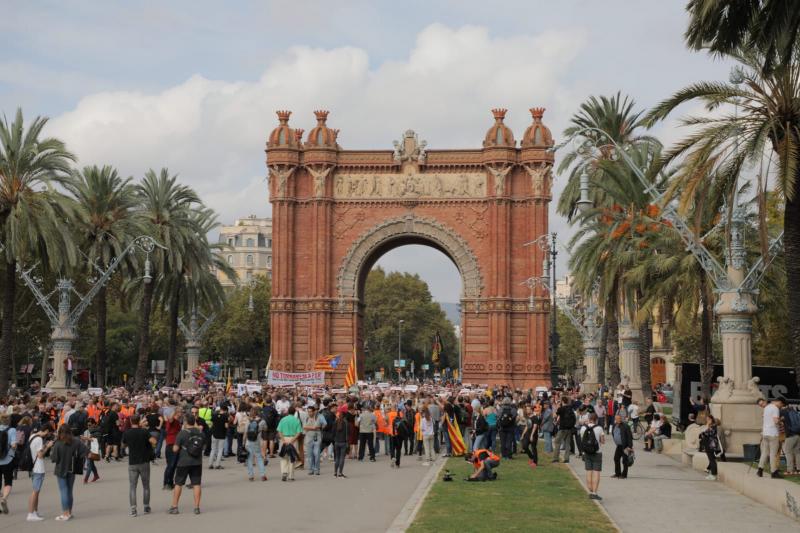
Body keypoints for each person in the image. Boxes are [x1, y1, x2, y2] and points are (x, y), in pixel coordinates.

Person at [170, 413, 204, 515]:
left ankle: (174, 506)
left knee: (178, 483)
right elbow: (204, 446)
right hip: (197, 462)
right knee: (196, 484)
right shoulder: (200, 433)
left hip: (183, 462)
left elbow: (175, 449)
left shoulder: (182, 433)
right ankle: (197, 507)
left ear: (185, 422)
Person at [122, 414, 156, 516]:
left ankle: (133, 509)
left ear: (131, 422)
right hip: (144, 461)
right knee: (146, 486)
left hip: (132, 462)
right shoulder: (144, 432)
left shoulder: (127, 433)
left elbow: (123, 445)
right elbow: (154, 441)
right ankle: (146, 507)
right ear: (139, 421)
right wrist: (150, 446)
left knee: (132, 486)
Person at [51, 423, 86, 521]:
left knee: (63, 491)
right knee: (69, 491)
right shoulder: (76, 441)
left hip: (60, 469)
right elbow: (85, 452)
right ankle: (69, 512)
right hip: (72, 468)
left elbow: (54, 459)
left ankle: (65, 513)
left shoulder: (58, 443)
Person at [26, 423, 54, 521]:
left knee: (36, 491)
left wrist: (45, 445)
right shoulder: (39, 439)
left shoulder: (33, 436)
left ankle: (34, 511)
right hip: (38, 467)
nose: (48, 435)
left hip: (33, 467)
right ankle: (30, 513)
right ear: (46, 430)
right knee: (35, 491)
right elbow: (41, 455)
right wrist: (48, 446)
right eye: (48, 433)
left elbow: (37, 451)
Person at [579, 413, 605, 500]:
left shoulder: (583, 428)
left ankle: (590, 489)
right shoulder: (599, 428)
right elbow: (602, 441)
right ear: (596, 419)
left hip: (587, 452)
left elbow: (582, 439)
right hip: (597, 452)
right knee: (596, 472)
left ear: (589, 418)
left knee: (588, 471)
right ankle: (594, 492)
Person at [757, 397, 784, 478]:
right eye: (781, 404)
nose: (781, 406)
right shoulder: (775, 408)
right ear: (779, 402)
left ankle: (760, 470)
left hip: (765, 434)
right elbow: (775, 421)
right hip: (773, 434)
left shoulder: (766, 408)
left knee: (764, 452)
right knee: (773, 454)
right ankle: (774, 472)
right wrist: (781, 422)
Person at [277, 405, 302, 482]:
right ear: (294, 412)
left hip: (284, 438)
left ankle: (284, 472)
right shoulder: (296, 420)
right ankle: (291, 476)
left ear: (288, 412)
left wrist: (283, 440)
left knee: (284, 457)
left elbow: (279, 431)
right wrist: (293, 440)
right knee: (292, 457)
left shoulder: (283, 419)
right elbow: (299, 432)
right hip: (293, 439)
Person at [0, 414, 17, 514]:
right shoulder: (12, 430)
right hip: (8, 459)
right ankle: (4, 498)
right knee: (8, 481)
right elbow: (14, 445)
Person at [244, 408, 268, 481]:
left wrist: (243, 442)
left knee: (249, 459)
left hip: (249, 441)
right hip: (257, 441)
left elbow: (245, 432)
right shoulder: (262, 421)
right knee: (259, 457)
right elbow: (266, 429)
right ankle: (262, 475)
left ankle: (251, 476)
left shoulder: (248, 421)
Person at [302, 404, 326, 476]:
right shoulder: (306, 418)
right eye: (308, 411)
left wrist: (319, 428)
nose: (309, 413)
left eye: (311, 411)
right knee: (309, 455)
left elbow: (324, 425)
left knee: (317, 454)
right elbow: (304, 427)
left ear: (314, 411)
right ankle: (311, 469)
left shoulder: (319, 417)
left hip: (317, 438)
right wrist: (314, 428)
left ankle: (317, 469)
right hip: (308, 438)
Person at [162, 407, 182, 490]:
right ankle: (167, 483)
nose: (182, 414)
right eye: (180, 412)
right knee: (171, 465)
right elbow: (170, 419)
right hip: (172, 445)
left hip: (174, 445)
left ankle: (169, 482)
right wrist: (174, 411)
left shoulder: (177, 422)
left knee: (173, 465)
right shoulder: (172, 421)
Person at [552, 398, 576, 463]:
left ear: (562, 401)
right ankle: (566, 458)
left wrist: (557, 408)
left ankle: (555, 458)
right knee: (567, 443)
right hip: (569, 429)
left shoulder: (561, 409)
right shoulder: (570, 409)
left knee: (557, 442)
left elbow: (554, 416)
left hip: (562, 428)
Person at [610, 413, 633, 479]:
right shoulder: (614, 425)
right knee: (616, 458)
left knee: (625, 460)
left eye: (620, 418)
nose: (619, 420)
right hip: (619, 446)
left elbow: (629, 437)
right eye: (617, 418)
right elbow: (613, 434)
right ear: (615, 419)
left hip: (625, 446)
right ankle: (617, 473)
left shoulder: (625, 426)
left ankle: (624, 475)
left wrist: (630, 447)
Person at [699, 414, 720, 481]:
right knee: (712, 460)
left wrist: (703, 432)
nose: (707, 421)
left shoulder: (713, 427)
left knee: (712, 460)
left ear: (711, 420)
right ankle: (712, 473)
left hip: (710, 445)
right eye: (707, 420)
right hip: (709, 445)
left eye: (708, 419)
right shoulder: (711, 427)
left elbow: (705, 434)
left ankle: (714, 474)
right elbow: (702, 434)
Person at [780, 404, 800, 475]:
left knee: (788, 452)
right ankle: (798, 470)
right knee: (797, 452)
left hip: (790, 435)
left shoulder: (783, 411)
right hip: (798, 434)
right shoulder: (794, 411)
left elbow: (777, 419)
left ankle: (790, 470)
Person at [333, 406, 350, 478]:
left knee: (337, 457)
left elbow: (333, 432)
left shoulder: (336, 422)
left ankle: (335, 472)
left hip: (336, 441)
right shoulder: (346, 423)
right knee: (342, 458)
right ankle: (340, 472)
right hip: (343, 442)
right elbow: (348, 433)